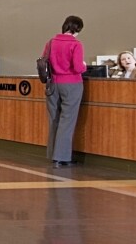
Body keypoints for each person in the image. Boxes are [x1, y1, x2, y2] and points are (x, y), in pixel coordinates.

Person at [43, 15, 87, 168]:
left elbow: (44, 60)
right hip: (71, 84)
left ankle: (53, 154)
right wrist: (84, 65)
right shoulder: (76, 44)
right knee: (67, 120)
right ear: (77, 28)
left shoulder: (51, 42)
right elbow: (78, 67)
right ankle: (62, 157)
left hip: (53, 84)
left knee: (53, 119)